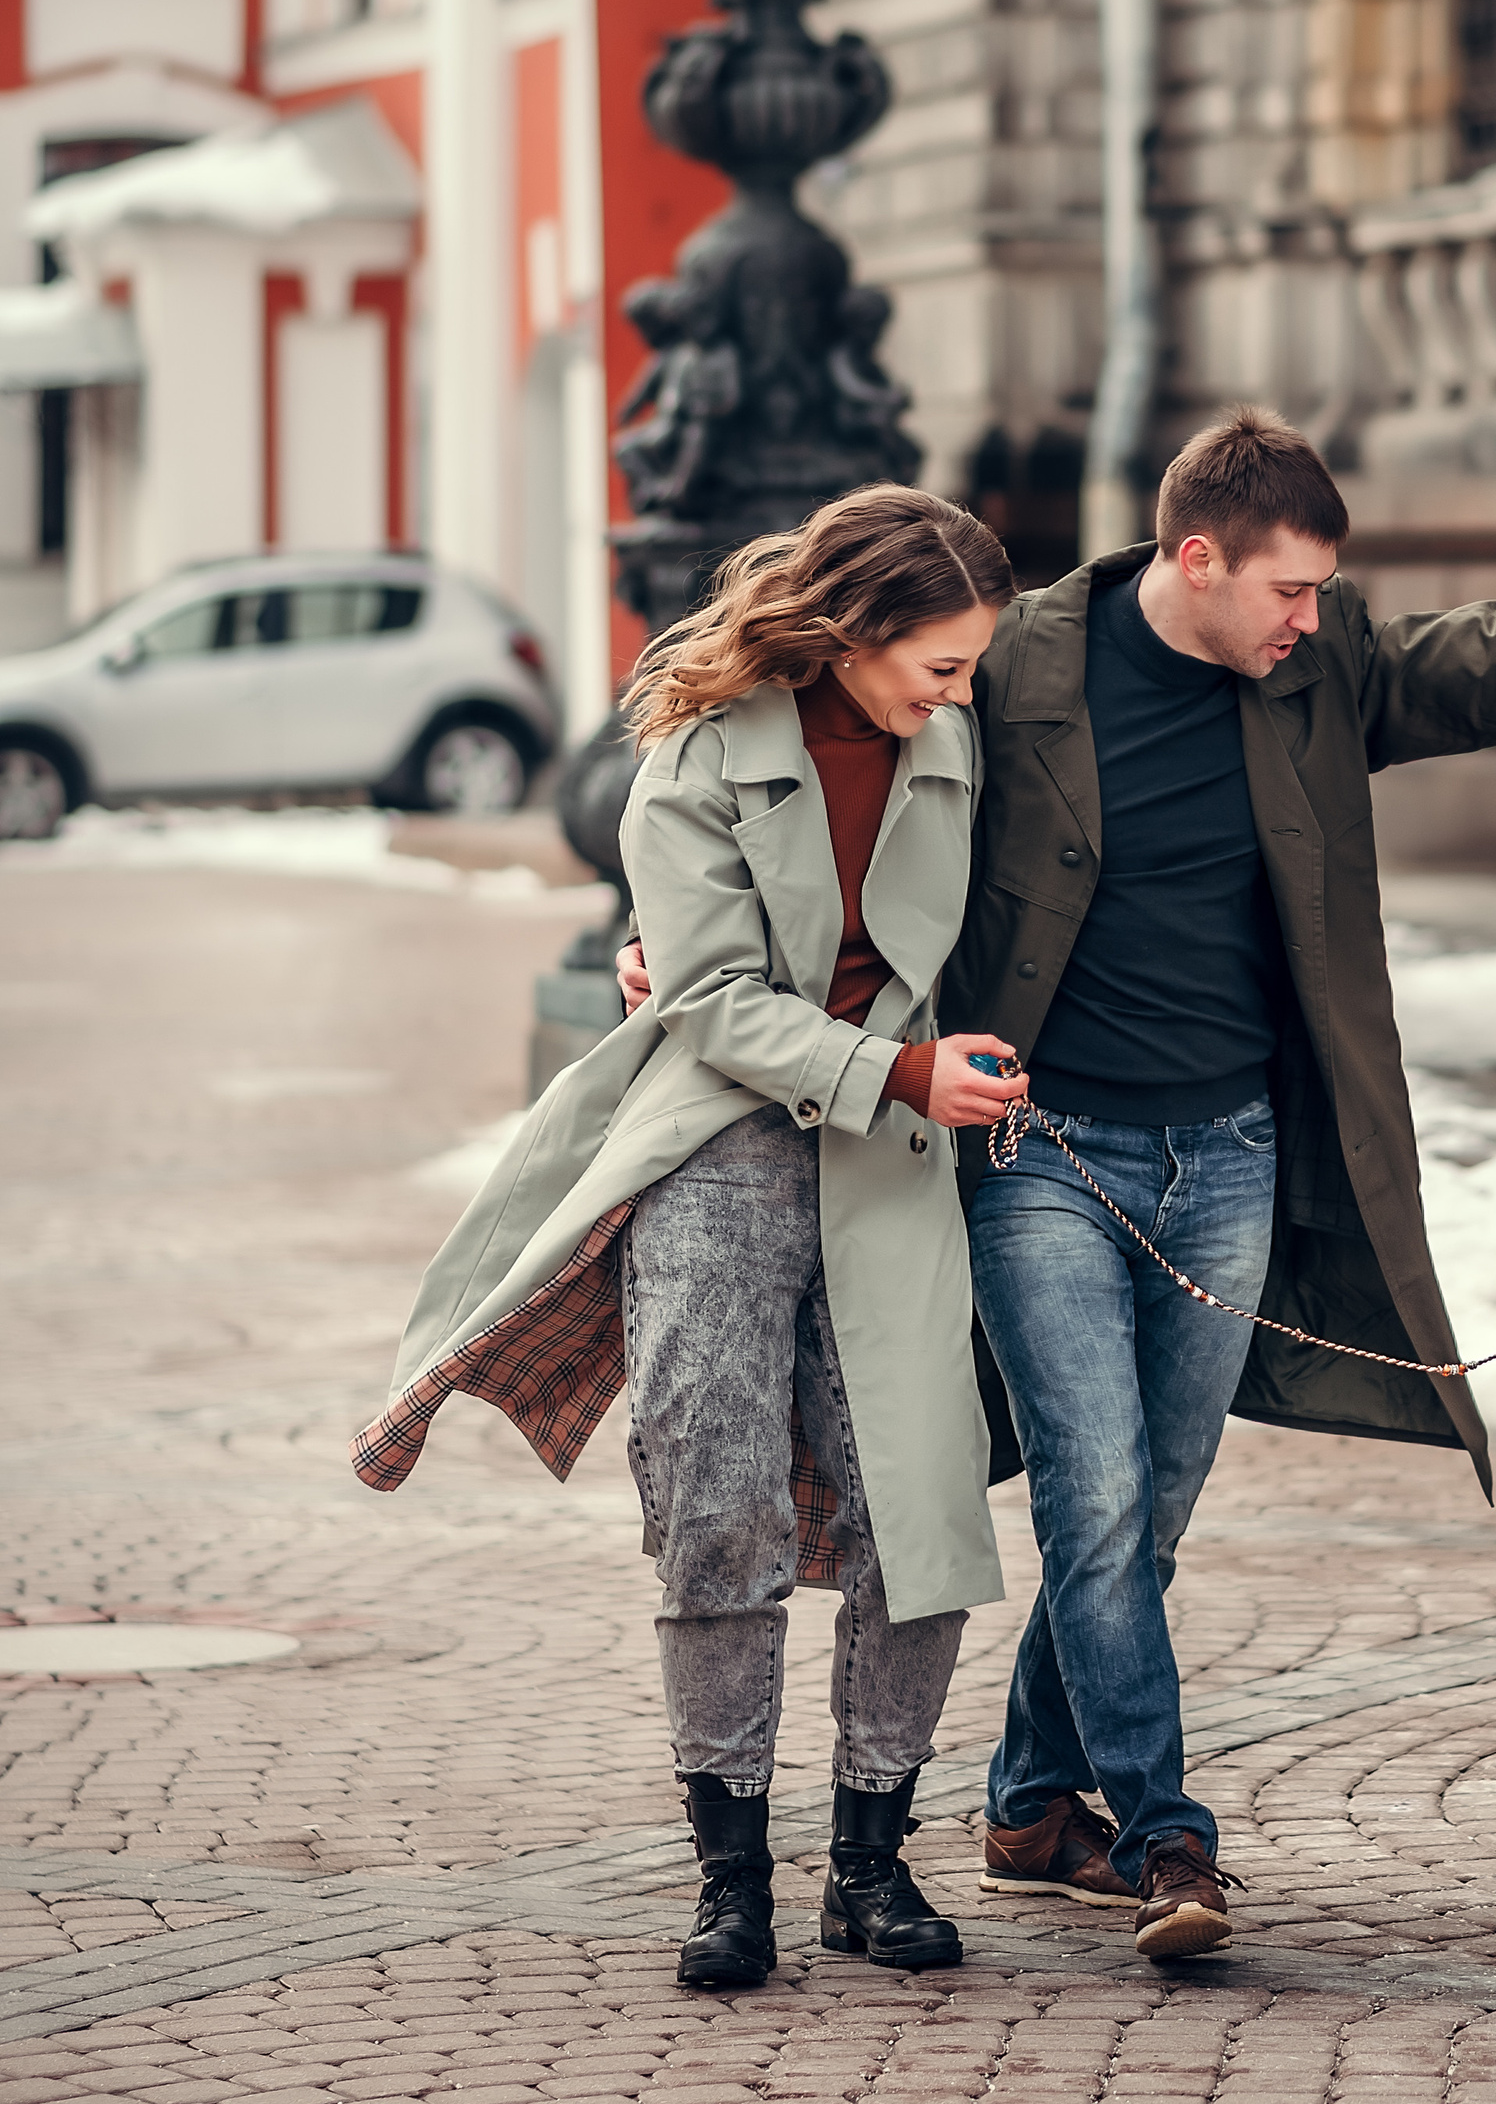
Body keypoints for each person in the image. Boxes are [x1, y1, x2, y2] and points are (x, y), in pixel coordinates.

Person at [623, 409, 1496, 1966]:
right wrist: (678, 955)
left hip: (1233, 1150)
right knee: (1089, 1502)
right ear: (1195, 556)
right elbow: (853, 792)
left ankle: (1033, 1799)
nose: (1310, 621)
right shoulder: (1016, 657)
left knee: (1147, 1515)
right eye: (1289, 590)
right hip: (1044, 1150)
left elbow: (1483, 661)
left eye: (1323, 598)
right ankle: (1168, 1836)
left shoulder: (1310, 667)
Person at [354, 488, 1029, 1993]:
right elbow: (712, 1002)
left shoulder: (962, 737)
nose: (961, 692)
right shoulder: (697, 749)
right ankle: (732, 1882)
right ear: (856, 633)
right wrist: (894, 1067)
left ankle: (871, 1862)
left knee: (913, 1506)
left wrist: (926, 1075)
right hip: (722, 1142)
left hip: (897, 1160)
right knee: (714, 1500)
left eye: (971, 669)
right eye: (940, 665)